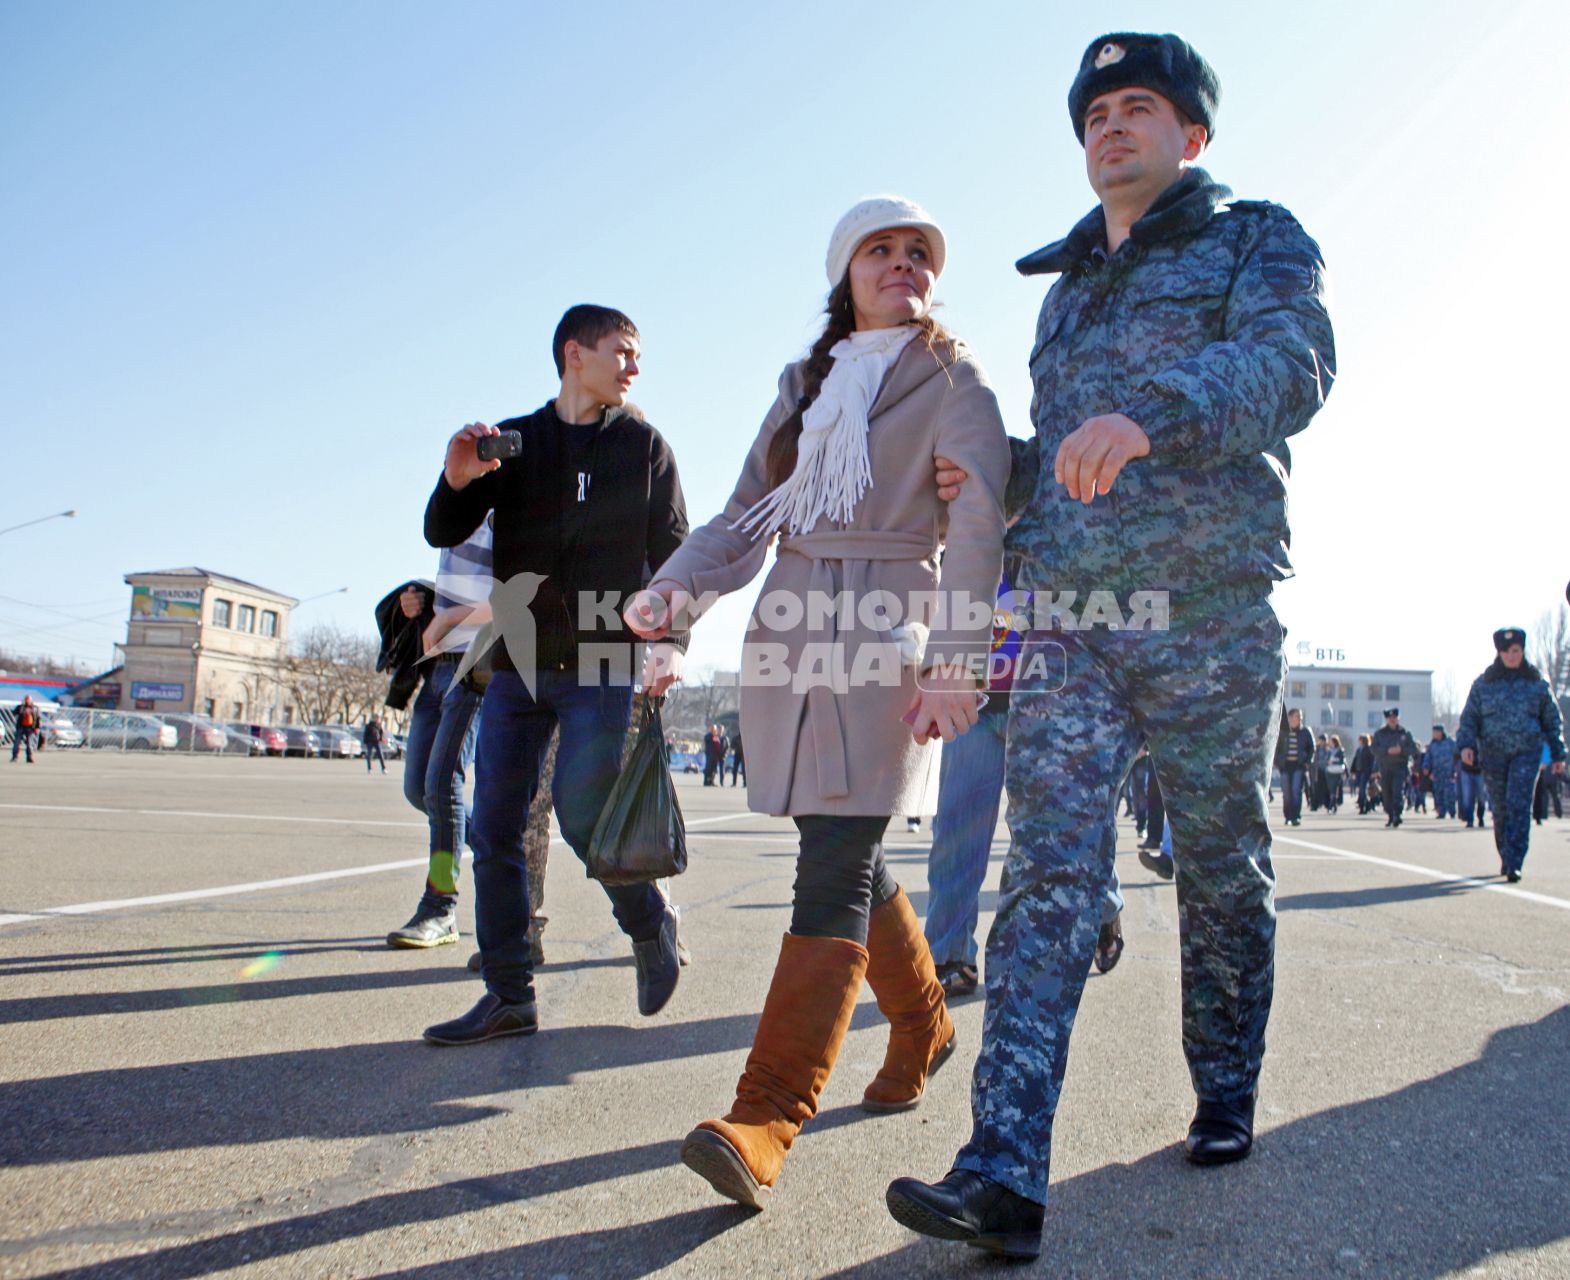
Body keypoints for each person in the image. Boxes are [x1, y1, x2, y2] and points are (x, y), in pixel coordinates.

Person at [887, 33, 1335, 1259]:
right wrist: (990, 477)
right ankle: (1003, 1170)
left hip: (1208, 610)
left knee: (1220, 863)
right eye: (1093, 114)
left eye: (1138, 108)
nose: (1110, 127)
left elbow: (1294, 367)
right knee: (1046, 879)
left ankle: (1225, 1083)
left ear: (1191, 136)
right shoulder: (1064, 288)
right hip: (1078, 618)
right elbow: (1056, 451)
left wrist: (1150, 415)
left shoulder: (1256, 238)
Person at [626, 195, 1010, 1210]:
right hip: (790, 624)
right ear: (844, 272)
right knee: (847, 843)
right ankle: (924, 1026)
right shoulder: (804, 386)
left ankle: (766, 1114)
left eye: (918, 252)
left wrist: (957, 662)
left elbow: (975, 528)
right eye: (879, 251)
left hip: (892, 626)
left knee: (834, 855)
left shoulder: (955, 379)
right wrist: (676, 591)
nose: (901, 265)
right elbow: (744, 517)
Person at [419, 303, 691, 1046]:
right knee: (493, 827)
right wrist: (455, 475)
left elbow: (675, 553)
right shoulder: (518, 444)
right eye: (624, 352)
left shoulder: (643, 446)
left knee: (583, 817)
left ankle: (648, 925)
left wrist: (672, 640)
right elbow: (444, 528)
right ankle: (509, 995)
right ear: (576, 353)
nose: (635, 367)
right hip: (519, 657)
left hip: (607, 656)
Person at [1456, 627, 1566, 882]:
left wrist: (1559, 754)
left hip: (1526, 753)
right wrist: (1465, 746)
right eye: (1507, 651)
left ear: (1522, 650)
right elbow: (1469, 719)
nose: (1512, 656)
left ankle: (1515, 860)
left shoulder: (1537, 684)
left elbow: (1552, 721)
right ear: (1499, 653)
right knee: (1501, 808)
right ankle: (1505, 854)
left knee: (1519, 804)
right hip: (1493, 755)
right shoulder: (1484, 684)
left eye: (1516, 651)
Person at [1371, 708, 1418, 827]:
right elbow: (1374, 749)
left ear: (1398, 718)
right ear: (1386, 719)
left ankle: (1398, 814)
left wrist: (1401, 750)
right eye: (1389, 718)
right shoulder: (1380, 734)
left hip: (1400, 767)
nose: (1392, 720)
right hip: (1385, 767)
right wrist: (1387, 751)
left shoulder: (1405, 733)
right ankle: (1390, 814)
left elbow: (1413, 749)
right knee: (1386, 793)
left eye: (1394, 718)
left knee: (1398, 791)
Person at [1275, 708, 1314, 827]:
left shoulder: (1306, 731)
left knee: (1296, 791)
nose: (1300, 718)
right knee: (1286, 793)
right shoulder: (1282, 731)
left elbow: (1312, 748)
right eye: (1297, 716)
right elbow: (1276, 748)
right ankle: (1288, 816)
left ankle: (1296, 816)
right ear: (1290, 718)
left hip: (1299, 766)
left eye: (1300, 716)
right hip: (1285, 766)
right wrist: (1277, 762)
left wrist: (1307, 761)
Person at [1425, 726, 1457, 819]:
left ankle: (1452, 811)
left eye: (1436, 732)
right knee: (1438, 793)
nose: (1434, 734)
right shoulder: (1432, 745)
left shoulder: (1450, 743)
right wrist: (1426, 768)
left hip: (1449, 773)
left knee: (1450, 794)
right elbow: (1428, 758)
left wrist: (1455, 770)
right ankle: (1441, 812)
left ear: (1441, 732)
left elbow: (1457, 755)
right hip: (1437, 773)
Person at [9, 696, 40, 764]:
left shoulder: (35, 708)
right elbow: (15, 713)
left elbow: (38, 718)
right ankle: (15, 757)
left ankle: (29, 757)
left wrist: (37, 727)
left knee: (29, 743)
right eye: (26, 699)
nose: (27, 701)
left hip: (30, 728)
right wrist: (20, 709)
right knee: (17, 742)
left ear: (31, 700)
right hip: (21, 727)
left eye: (28, 700)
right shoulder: (21, 707)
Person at [1351, 733, 1375, 814]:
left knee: (1363, 789)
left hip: (1366, 771)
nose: (1359, 741)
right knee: (1360, 789)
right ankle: (1366, 804)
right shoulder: (1358, 749)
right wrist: (1353, 771)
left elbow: (1372, 762)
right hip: (1359, 771)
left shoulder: (1369, 749)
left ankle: (1363, 805)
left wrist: (1372, 771)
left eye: (1360, 739)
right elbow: (1355, 760)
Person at [1325, 734, 1346, 812]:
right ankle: (1333, 804)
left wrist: (1333, 761)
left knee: (1335, 788)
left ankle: (1331, 805)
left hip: (1337, 771)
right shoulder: (1329, 751)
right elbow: (1326, 760)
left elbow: (1342, 760)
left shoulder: (1340, 750)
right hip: (1330, 771)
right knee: (1331, 788)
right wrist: (1328, 762)